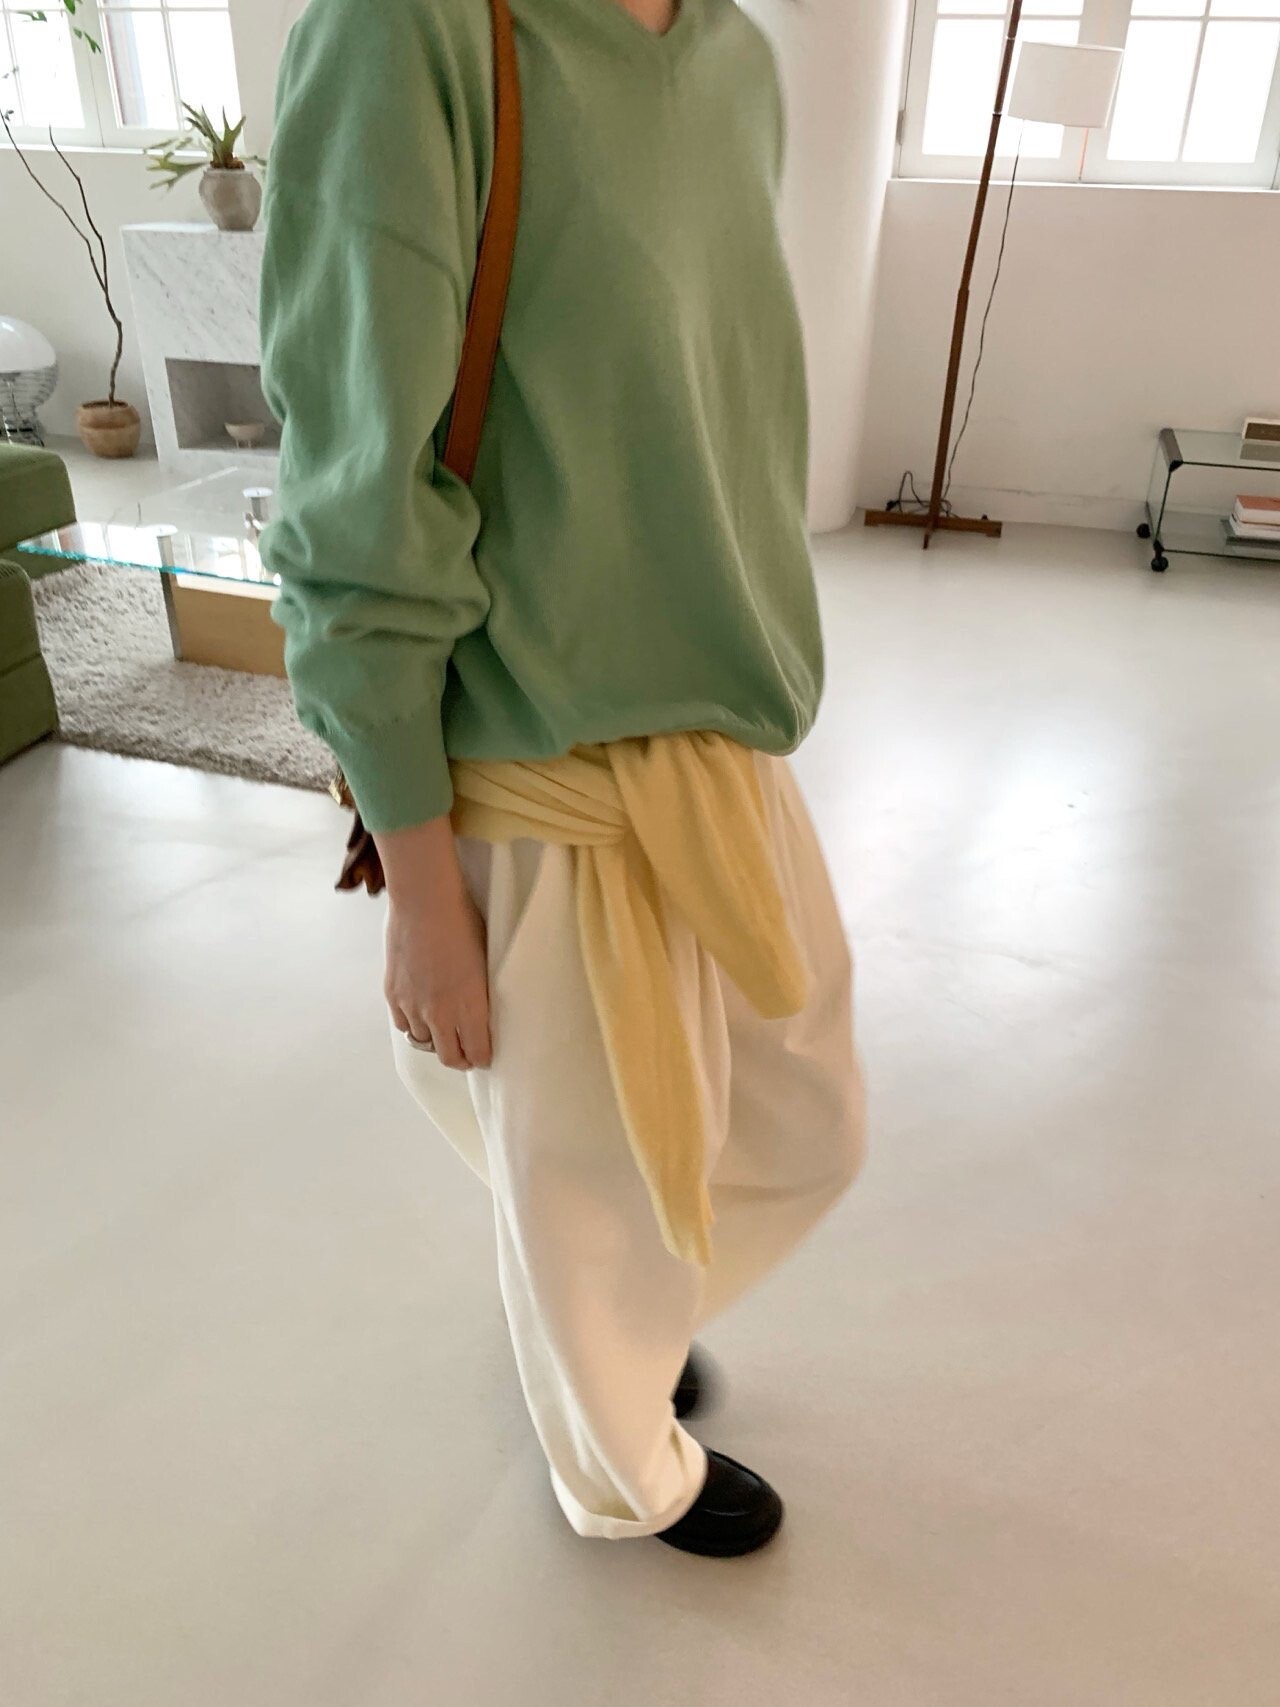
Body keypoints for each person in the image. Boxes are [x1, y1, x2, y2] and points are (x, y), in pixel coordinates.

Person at [259, 0, 866, 1558]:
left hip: (719, 720)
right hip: (538, 736)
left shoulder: (732, 53)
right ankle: (624, 1464)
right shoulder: (411, 34)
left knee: (800, 1119)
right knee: (593, 1175)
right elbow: (354, 493)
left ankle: (610, 1304)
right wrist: (421, 883)